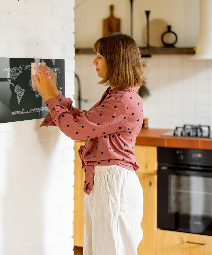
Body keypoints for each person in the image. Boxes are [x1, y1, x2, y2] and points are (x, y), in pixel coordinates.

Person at [33, 33, 145, 255]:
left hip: (113, 184)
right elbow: (84, 122)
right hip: (108, 182)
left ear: (116, 61)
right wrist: (54, 93)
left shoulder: (122, 100)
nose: (94, 61)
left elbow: (76, 130)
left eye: (100, 56)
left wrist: (48, 96)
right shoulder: (118, 95)